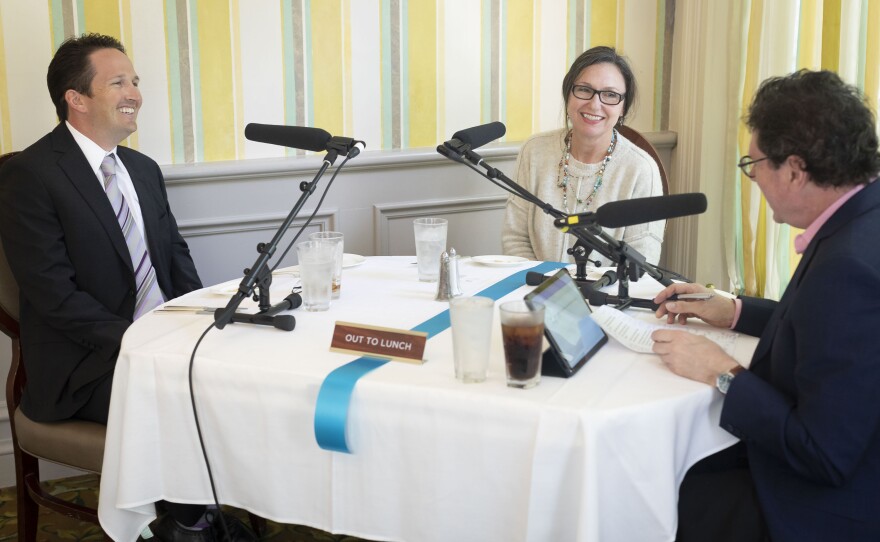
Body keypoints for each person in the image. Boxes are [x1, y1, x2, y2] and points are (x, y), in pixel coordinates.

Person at [0, 34, 254, 541]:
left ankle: (202, 514)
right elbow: (54, 297)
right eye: (118, 82)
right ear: (76, 98)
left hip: (165, 345)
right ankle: (190, 526)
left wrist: (203, 326)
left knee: (249, 377)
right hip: (84, 365)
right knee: (177, 397)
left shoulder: (142, 169)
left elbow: (176, 261)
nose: (135, 92)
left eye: (135, 81)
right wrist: (143, 342)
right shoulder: (30, 174)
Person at [652, 70, 880, 541]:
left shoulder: (849, 268)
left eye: (753, 163)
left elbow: (822, 453)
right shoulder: (862, 218)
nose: (752, 176)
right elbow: (826, 327)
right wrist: (734, 310)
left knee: (657, 492)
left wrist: (722, 371)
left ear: (794, 170)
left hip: (825, 507)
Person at [502, 46, 664, 265]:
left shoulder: (641, 169)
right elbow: (515, 239)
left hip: (608, 288)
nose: (595, 104)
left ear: (623, 108)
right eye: (585, 90)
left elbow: (641, 262)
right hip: (536, 284)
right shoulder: (534, 151)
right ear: (568, 95)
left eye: (610, 95)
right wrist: (549, 284)